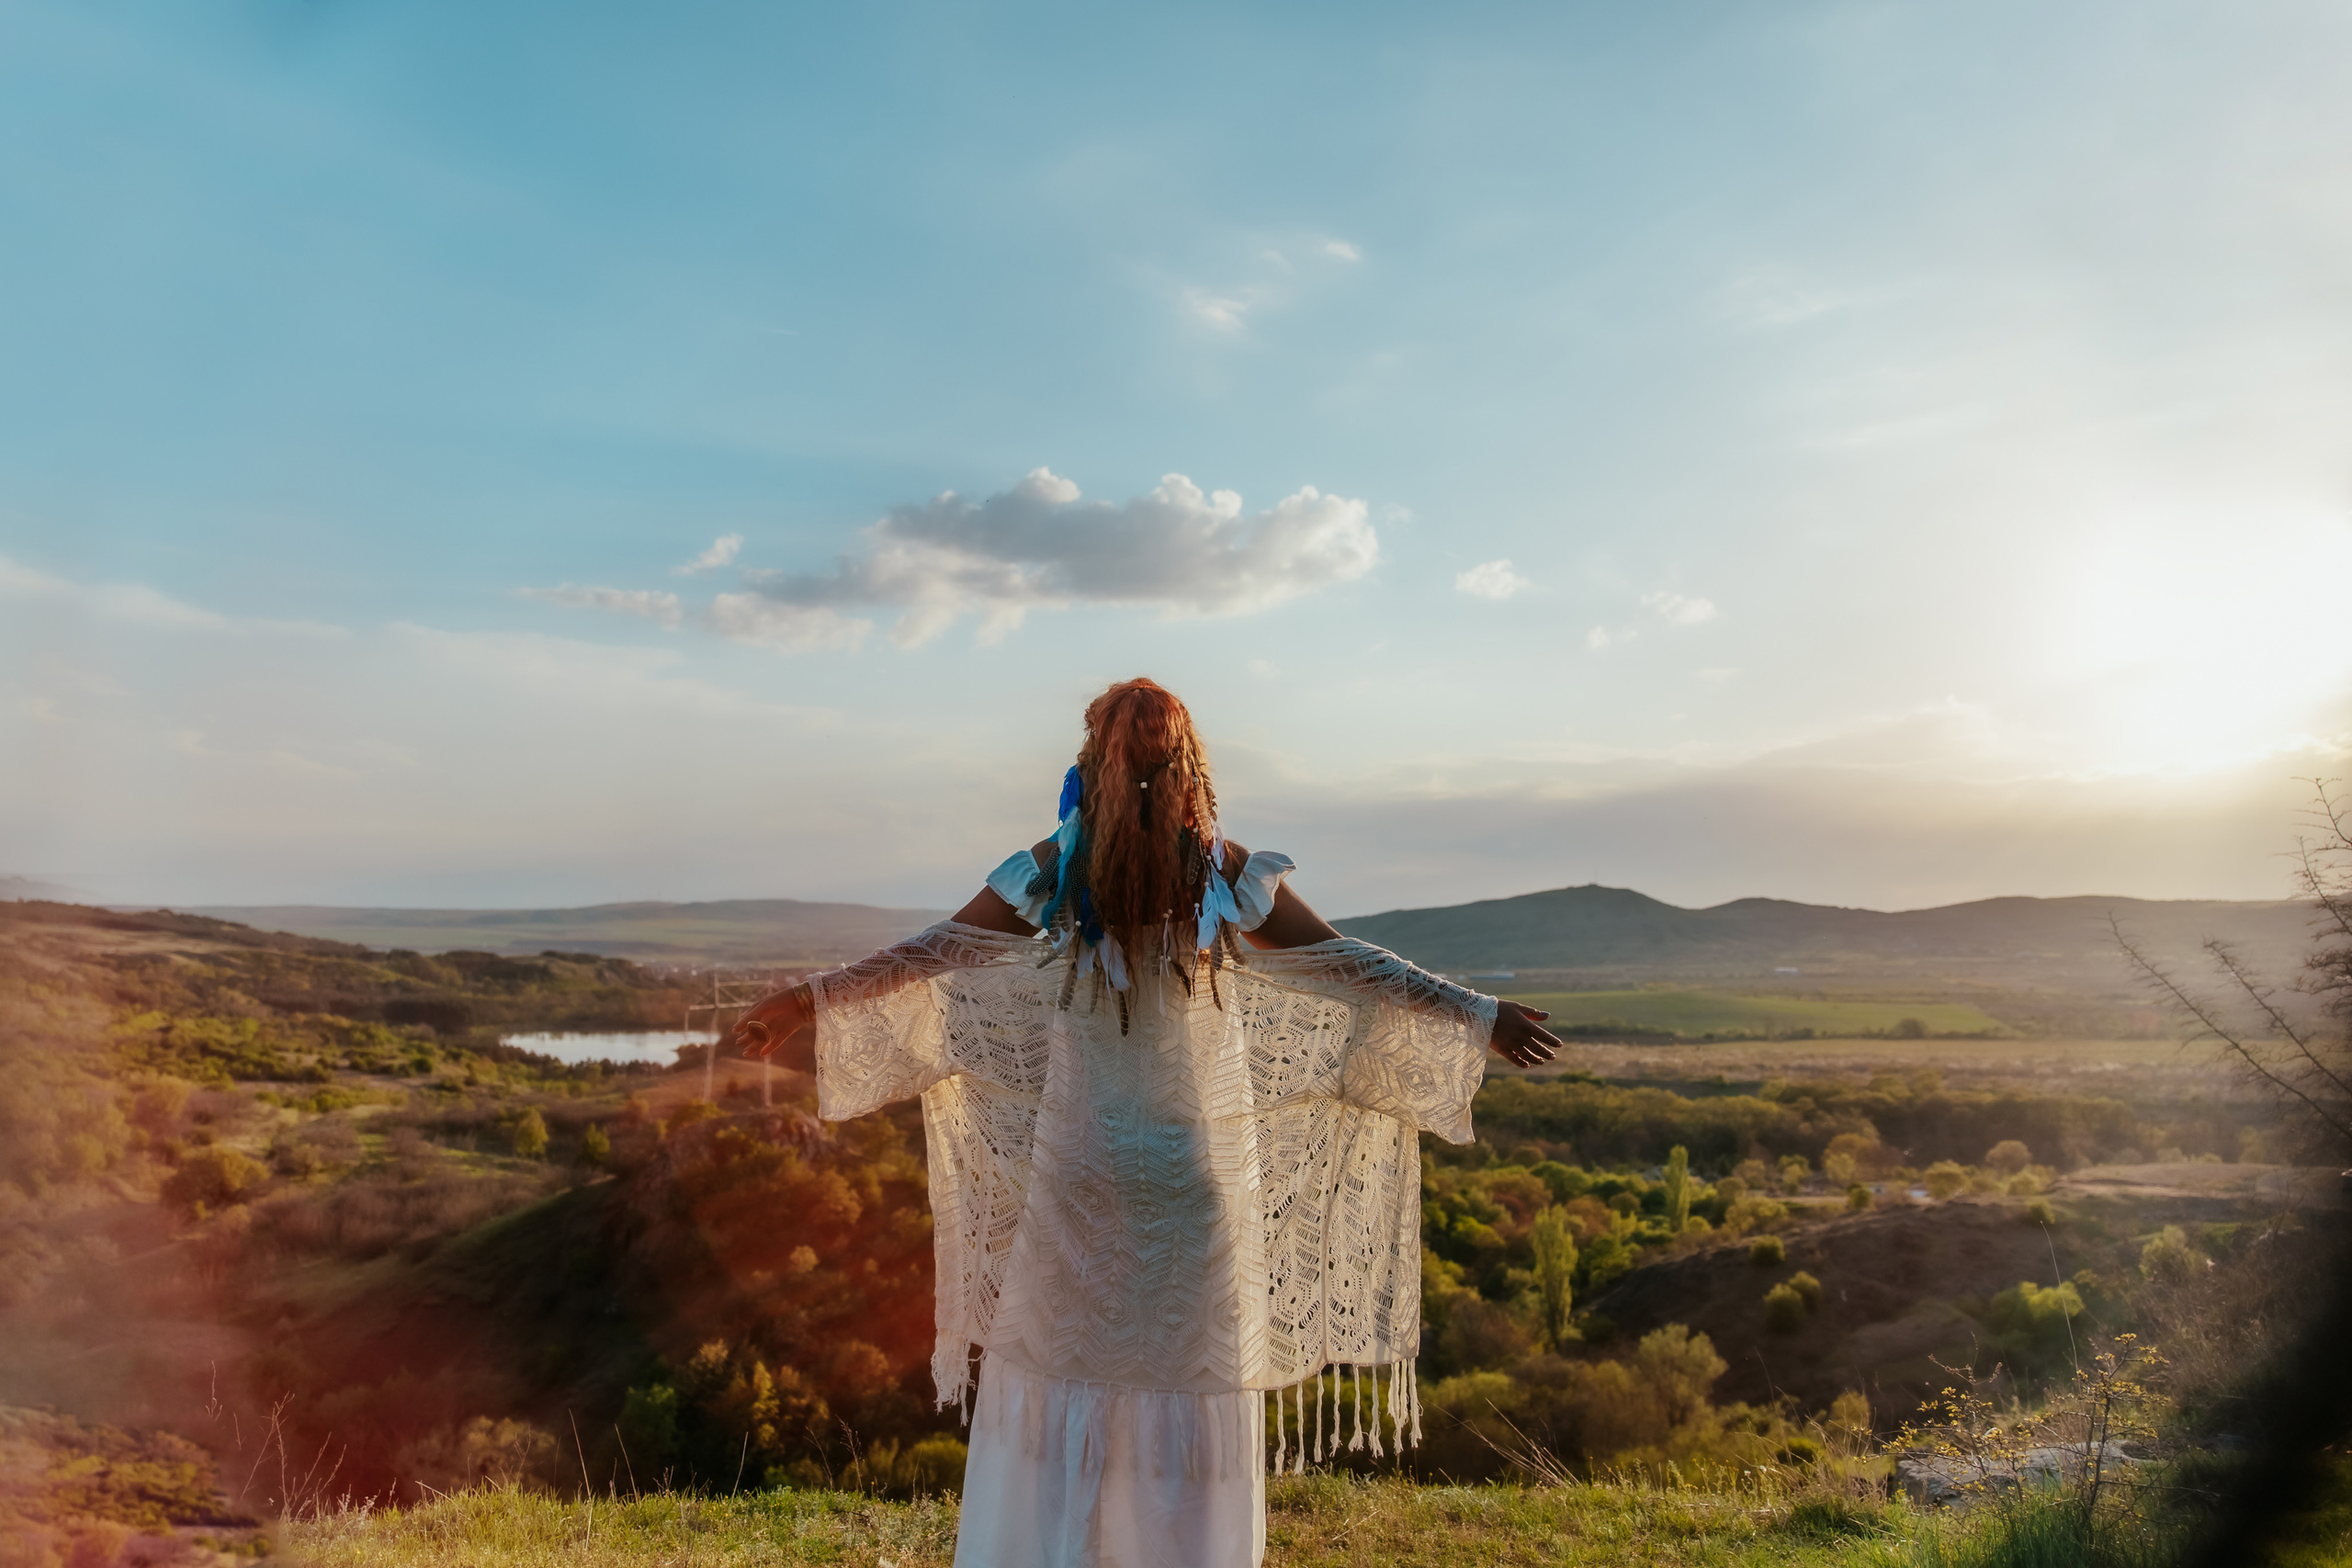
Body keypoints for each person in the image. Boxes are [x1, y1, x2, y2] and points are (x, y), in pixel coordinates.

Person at [734, 677, 1561, 1568]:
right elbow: (1349, 966)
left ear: (1092, 759)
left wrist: (802, 1002)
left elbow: (931, 952)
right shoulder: (1224, 873)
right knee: (1182, 1386)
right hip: (1189, 1180)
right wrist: (1474, 1013)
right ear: (1190, 765)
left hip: (1082, 1171)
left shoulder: (1057, 872)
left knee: (1061, 1379)